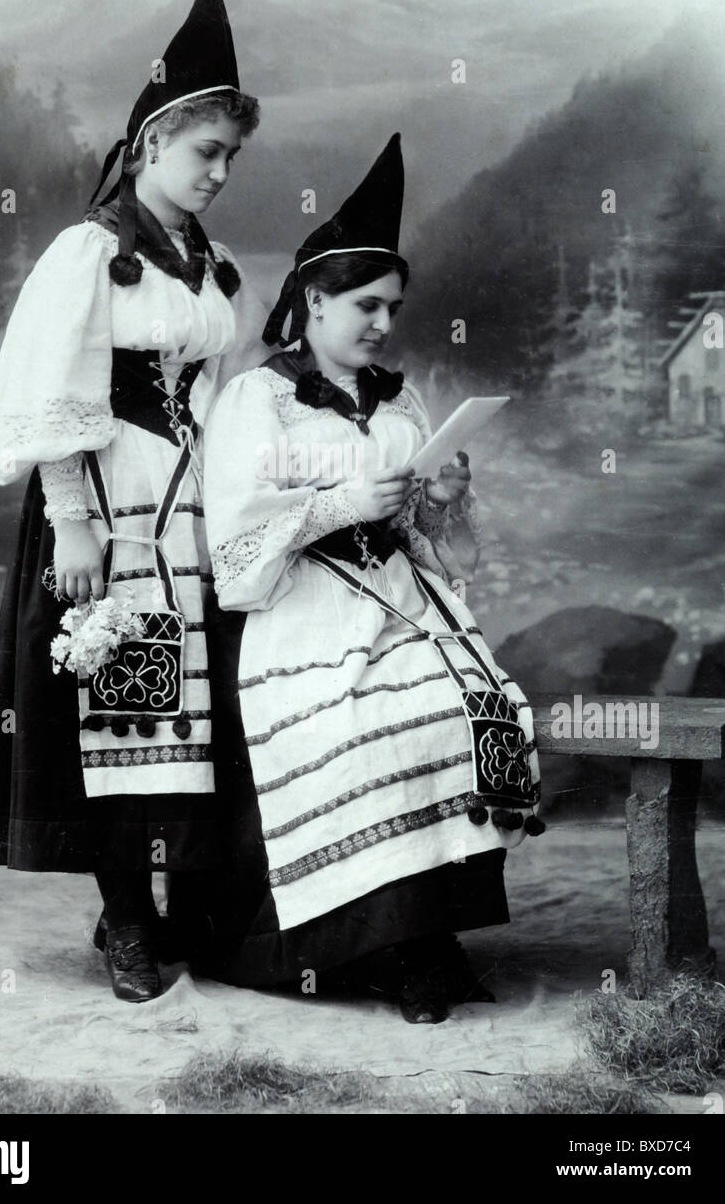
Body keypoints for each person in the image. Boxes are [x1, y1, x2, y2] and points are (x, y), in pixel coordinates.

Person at [0, 0, 263, 1003]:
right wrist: (74, 526)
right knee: (117, 706)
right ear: (149, 147)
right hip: (100, 509)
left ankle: (166, 906)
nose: (219, 172)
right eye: (204, 152)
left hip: (188, 508)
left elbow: (219, 401)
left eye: (230, 155)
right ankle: (126, 919)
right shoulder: (89, 255)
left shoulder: (212, 268)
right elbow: (51, 393)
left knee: (189, 713)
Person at [195, 134, 543, 1023]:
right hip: (299, 607)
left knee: (477, 705)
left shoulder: (401, 400)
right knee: (385, 719)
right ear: (312, 300)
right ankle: (387, 947)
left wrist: (444, 501)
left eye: (391, 309)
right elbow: (233, 542)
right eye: (365, 306)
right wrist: (345, 498)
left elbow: (438, 552)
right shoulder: (255, 399)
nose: (383, 326)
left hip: (399, 600)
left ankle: (424, 936)